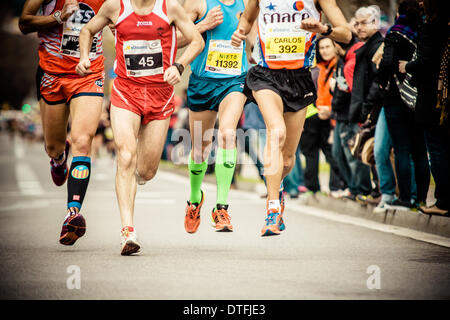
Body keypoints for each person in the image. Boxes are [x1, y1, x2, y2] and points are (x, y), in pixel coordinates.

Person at [77, 0, 204, 254]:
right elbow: (87, 30)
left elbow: (197, 41)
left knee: (146, 171)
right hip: (126, 92)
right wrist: (83, 58)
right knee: (125, 156)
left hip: (161, 95)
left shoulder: (170, 8)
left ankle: (133, 180)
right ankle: (128, 231)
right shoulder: (115, 7)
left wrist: (179, 66)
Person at [231, 0, 351, 236]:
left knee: (286, 160)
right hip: (266, 75)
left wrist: (323, 29)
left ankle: (279, 185)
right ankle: (273, 208)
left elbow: (346, 34)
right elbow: (246, 19)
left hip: (300, 78)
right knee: (276, 132)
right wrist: (241, 33)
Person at [19, 0, 106, 246]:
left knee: (82, 140)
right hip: (52, 73)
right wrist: (58, 17)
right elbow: (24, 22)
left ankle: (72, 214)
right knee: (54, 146)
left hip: (88, 73)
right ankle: (58, 159)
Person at [180, 0, 249, 234]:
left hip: (235, 80)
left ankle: (221, 207)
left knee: (228, 133)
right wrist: (202, 26)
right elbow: (175, 39)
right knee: (200, 148)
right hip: (203, 82)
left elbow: (258, 39)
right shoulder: (198, 3)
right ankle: (194, 200)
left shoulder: (248, 3)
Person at [376, 0, 430, 211]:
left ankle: (406, 199)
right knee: (420, 150)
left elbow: (387, 63)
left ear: (399, 13)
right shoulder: (424, 31)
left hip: (396, 98)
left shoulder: (395, 33)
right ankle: (422, 198)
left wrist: (381, 80)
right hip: (420, 98)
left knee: (402, 149)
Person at [399, 0, 450, 216]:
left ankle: (443, 201)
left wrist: (407, 66)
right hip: (444, 95)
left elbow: (426, 61)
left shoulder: (432, 26)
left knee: (437, 149)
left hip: (434, 99)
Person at [299, 37, 346, 197]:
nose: (324, 50)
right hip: (313, 116)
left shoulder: (340, 66)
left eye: (327, 46)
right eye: (321, 48)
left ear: (335, 47)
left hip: (333, 116)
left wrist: (331, 110)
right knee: (311, 154)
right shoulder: (316, 68)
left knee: (332, 154)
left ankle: (338, 186)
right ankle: (312, 188)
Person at [331, 38, 373, 200]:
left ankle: (361, 189)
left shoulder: (351, 62)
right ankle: (353, 187)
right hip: (340, 114)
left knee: (353, 155)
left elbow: (352, 90)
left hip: (351, 115)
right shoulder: (342, 62)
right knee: (338, 154)